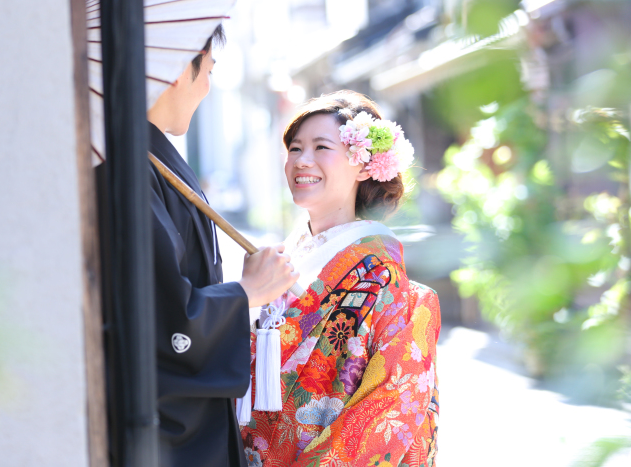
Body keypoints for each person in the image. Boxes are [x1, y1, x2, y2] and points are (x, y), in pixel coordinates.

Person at [240, 91, 440, 467]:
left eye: (320, 147)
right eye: (295, 148)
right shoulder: (279, 262)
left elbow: (387, 412)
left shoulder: (384, 279)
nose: (302, 160)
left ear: (364, 165)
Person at [147, 25, 300, 467]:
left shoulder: (151, 155)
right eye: (208, 70)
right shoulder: (131, 164)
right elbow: (163, 312)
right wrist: (246, 292)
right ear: (179, 68)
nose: (208, 87)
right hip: (165, 426)